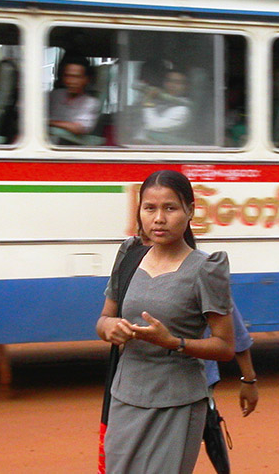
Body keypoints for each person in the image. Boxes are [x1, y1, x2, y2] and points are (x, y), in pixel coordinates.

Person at [97, 170, 235, 473]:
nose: (159, 218)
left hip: (177, 402)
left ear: (190, 211)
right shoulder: (129, 256)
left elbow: (225, 346)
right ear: (140, 211)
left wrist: (173, 343)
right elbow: (104, 318)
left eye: (170, 208)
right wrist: (110, 328)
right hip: (125, 397)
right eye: (150, 208)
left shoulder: (205, 269)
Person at [48, 55, 101, 141]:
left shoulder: (91, 103)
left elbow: (78, 128)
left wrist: (49, 122)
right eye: (68, 76)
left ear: (86, 79)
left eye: (77, 77)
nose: (71, 81)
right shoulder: (55, 95)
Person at [138, 69, 191, 142]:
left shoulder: (183, 109)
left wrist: (148, 101)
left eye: (178, 83)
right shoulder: (158, 101)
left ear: (185, 87)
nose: (172, 85)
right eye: (169, 81)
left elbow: (153, 126)